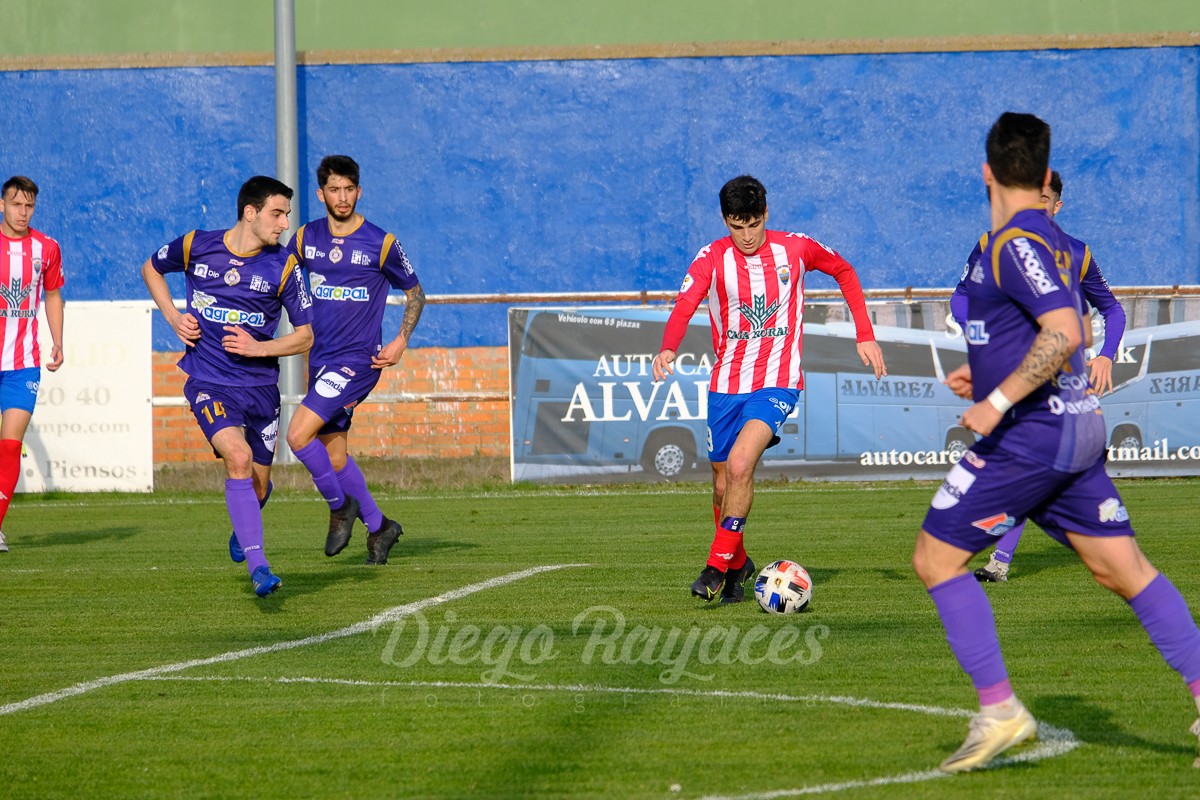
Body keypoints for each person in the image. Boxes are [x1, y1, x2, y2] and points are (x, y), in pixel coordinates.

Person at [913, 111, 1200, 773]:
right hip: (1075, 425)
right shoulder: (1059, 242)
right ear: (1045, 176)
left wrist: (997, 400)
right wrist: (990, 373)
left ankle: (1001, 711)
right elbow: (1055, 329)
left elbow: (1066, 331)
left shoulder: (1012, 242)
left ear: (986, 173)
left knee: (935, 559)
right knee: (1123, 570)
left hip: (1033, 433)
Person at [653, 175, 886, 603]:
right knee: (722, 485)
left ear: (765, 214)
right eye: (736, 226)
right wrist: (668, 347)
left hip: (777, 381)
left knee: (741, 464)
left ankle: (714, 568)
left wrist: (865, 334)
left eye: (753, 224)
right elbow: (685, 303)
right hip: (726, 383)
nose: (745, 236)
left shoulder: (795, 249)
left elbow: (844, 270)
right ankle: (738, 563)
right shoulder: (712, 258)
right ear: (725, 220)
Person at [949, 170, 1128, 583]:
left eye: (1043, 200)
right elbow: (961, 298)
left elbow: (1112, 309)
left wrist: (1106, 356)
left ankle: (1005, 557)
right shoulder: (991, 246)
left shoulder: (1077, 254)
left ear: (1056, 206)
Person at [142, 176, 313, 597]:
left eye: (287, 215)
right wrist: (173, 317)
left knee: (257, 486)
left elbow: (306, 336)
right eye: (277, 214)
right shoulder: (197, 245)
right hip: (210, 382)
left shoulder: (284, 266)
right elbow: (151, 268)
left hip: (261, 389)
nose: (284, 224)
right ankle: (260, 568)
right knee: (237, 457)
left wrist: (259, 348)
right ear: (250, 212)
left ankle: (245, 520)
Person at [283, 155, 425, 565]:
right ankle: (380, 528)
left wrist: (401, 340)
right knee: (335, 457)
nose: (342, 197)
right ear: (321, 194)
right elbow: (279, 275)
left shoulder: (381, 242)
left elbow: (416, 294)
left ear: (359, 191)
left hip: (357, 362)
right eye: (334, 190)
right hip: (321, 360)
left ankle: (339, 506)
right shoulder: (305, 238)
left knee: (298, 436)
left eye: (349, 189)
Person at [0, 177, 65, 553]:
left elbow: (53, 295)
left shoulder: (47, 248)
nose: (22, 212)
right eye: (16, 204)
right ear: (2, 205)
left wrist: (58, 340)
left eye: (29, 206)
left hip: (23, 363)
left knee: (10, 446)